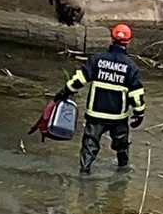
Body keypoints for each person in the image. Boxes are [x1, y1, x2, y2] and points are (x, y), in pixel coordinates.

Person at [55, 23, 146, 175]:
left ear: (112, 39)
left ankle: (84, 174)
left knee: (90, 145)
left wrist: (65, 92)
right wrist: (139, 114)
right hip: (118, 117)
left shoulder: (97, 60)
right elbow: (136, 95)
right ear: (128, 42)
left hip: (95, 114)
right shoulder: (131, 67)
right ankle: (122, 175)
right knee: (122, 146)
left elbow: (79, 79)